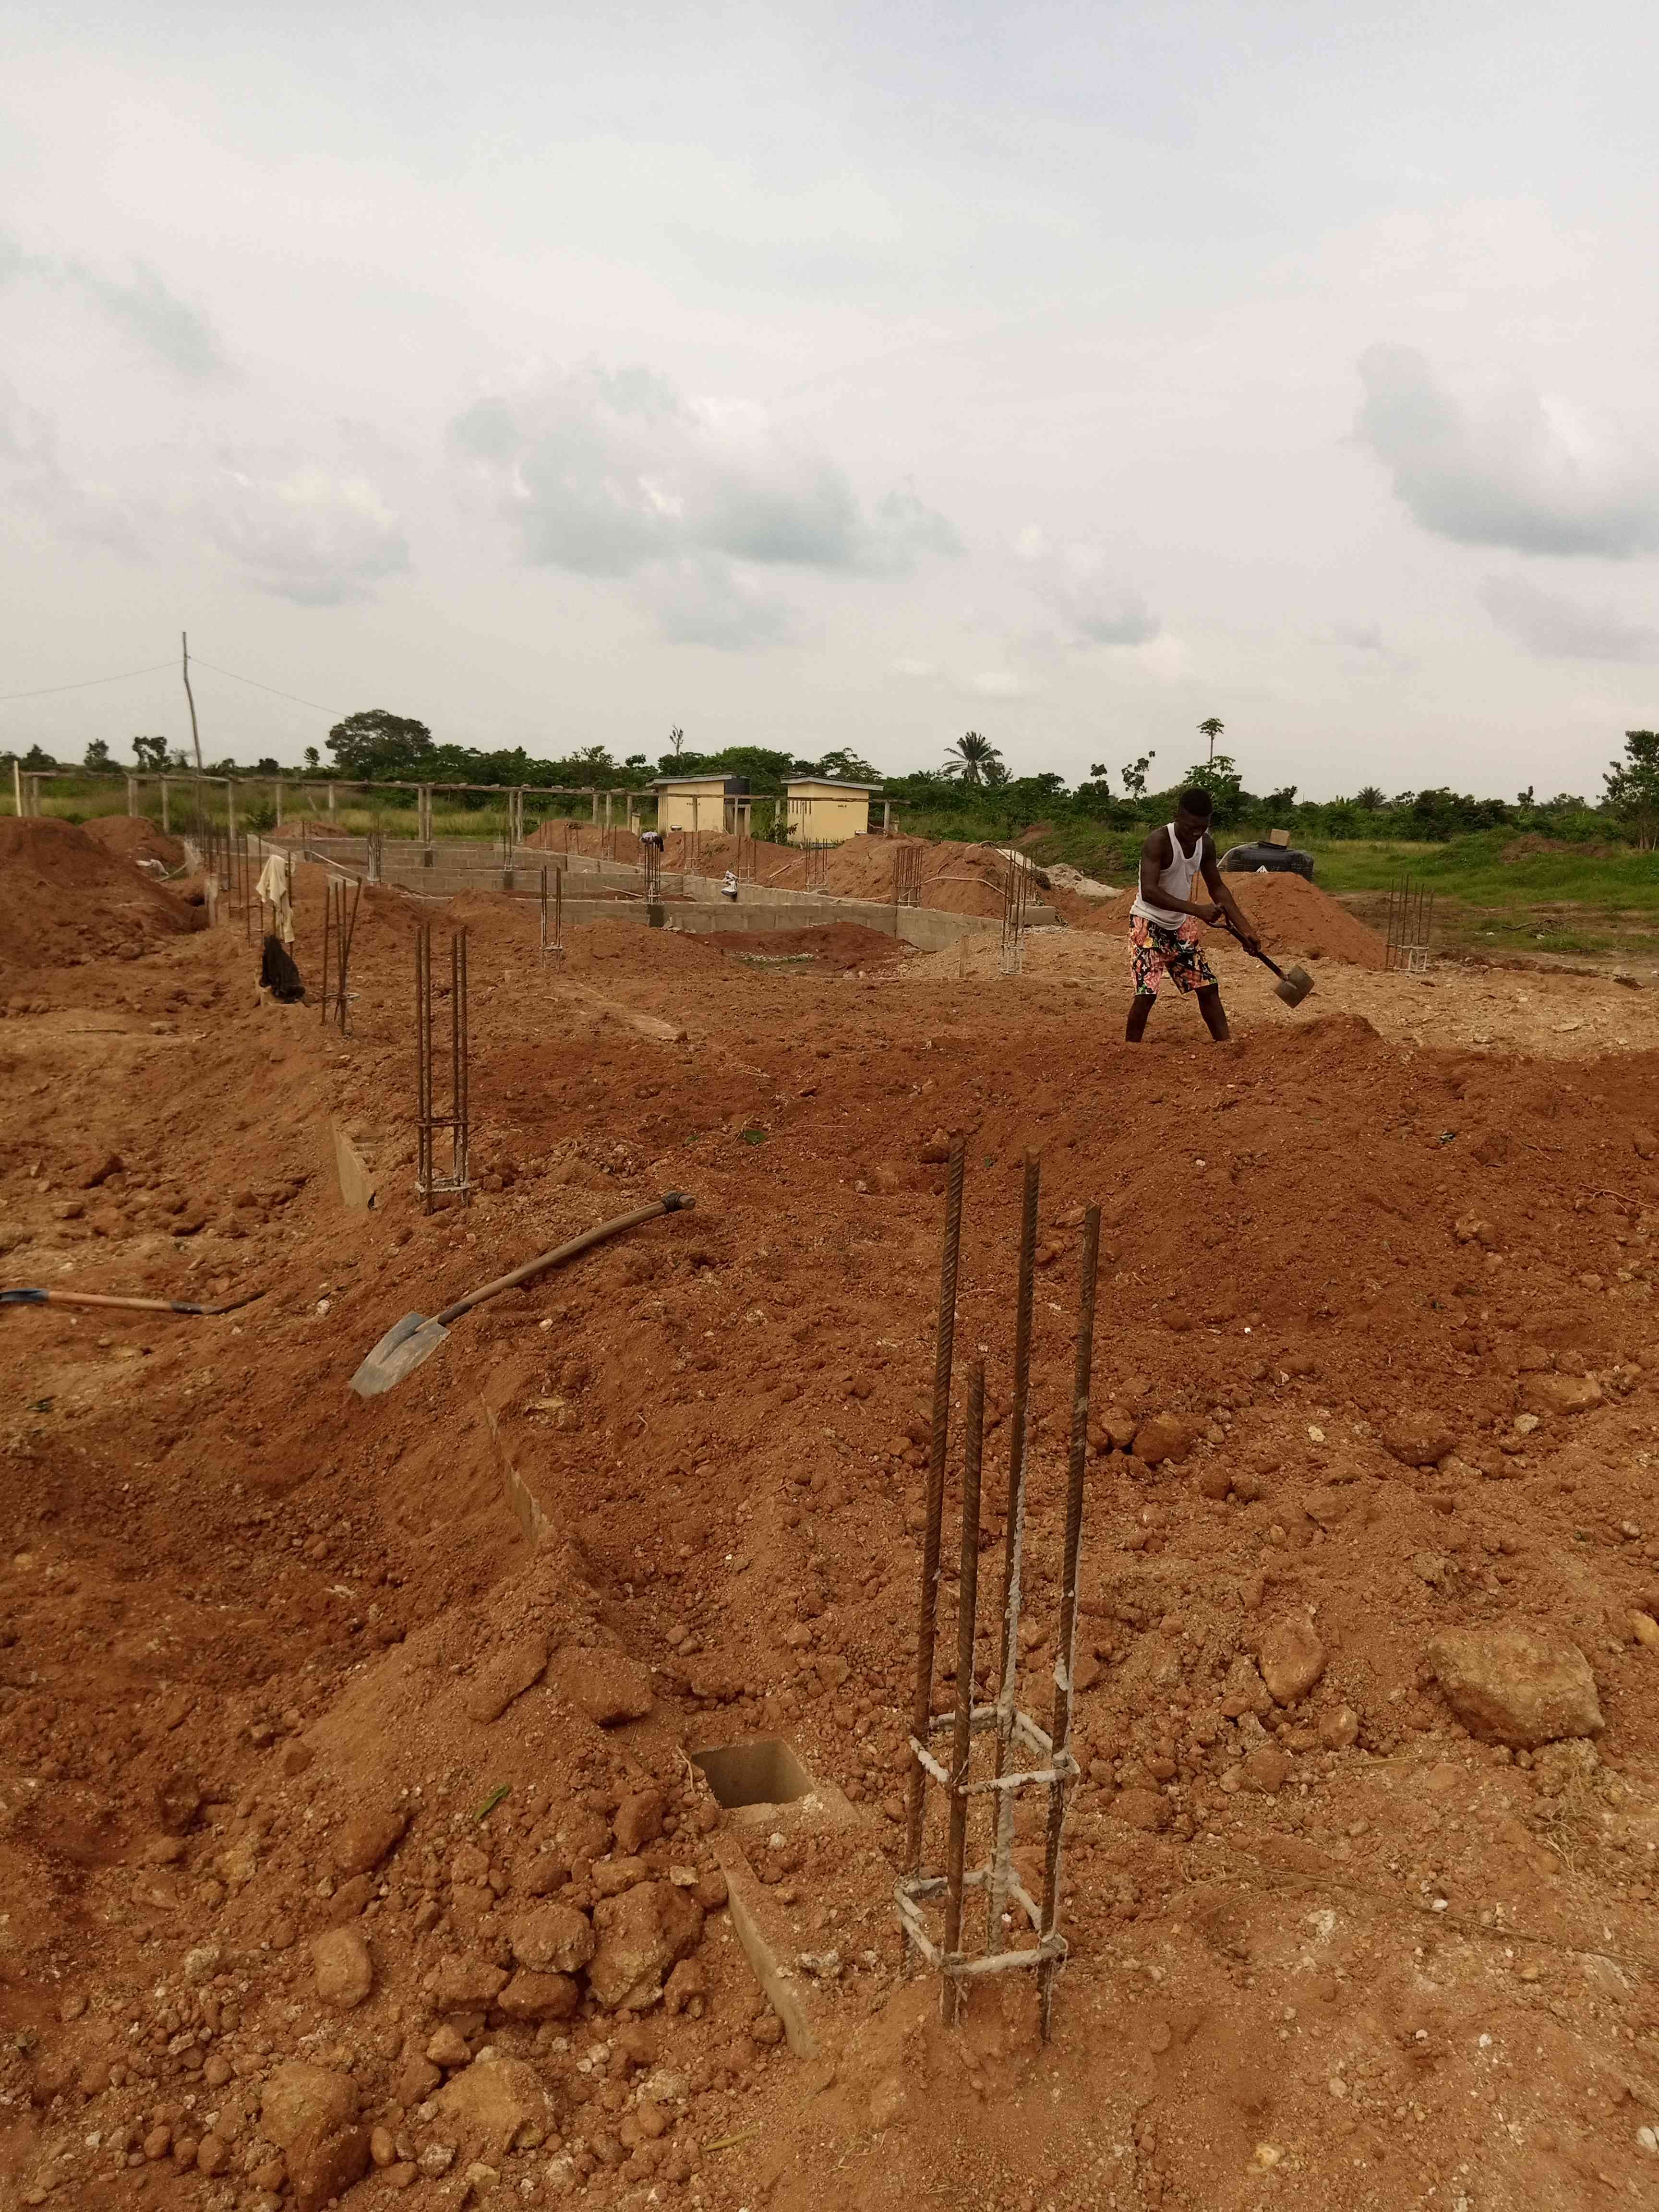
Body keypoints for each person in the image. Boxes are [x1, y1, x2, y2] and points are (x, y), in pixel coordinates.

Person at [1126, 787, 1260, 1043]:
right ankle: (1130, 1052)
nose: (1196, 833)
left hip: (1179, 925)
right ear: (1177, 816)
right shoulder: (1159, 841)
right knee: (1147, 994)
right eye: (1191, 827)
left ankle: (1226, 1047)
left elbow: (1218, 888)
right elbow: (1150, 892)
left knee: (1208, 987)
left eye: (1203, 827)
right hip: (1147, 922)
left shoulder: (1205, 844)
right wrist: (1197, 910)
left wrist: (1246, 931)